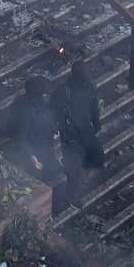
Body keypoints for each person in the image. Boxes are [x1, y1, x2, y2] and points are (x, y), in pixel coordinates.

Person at [54, 61, 103, 208]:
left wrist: (96, 124)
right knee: (73, 167)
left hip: (85, 129)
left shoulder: (89, 86)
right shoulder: (64, 90)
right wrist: (59, 128)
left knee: (95, 157)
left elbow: (93, 106)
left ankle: (78, 176)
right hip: (70, 134)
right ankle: (73, 197)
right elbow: (55, 110)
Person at [15, 77, 61, 182]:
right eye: (44, 95)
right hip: (35, 149)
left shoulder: (44, 106)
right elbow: (21, 138)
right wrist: (31, 155)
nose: (47, 97)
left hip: (46, 144)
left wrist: (54, 129)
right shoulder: (26, 112)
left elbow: (50, 117)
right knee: (40, 175)